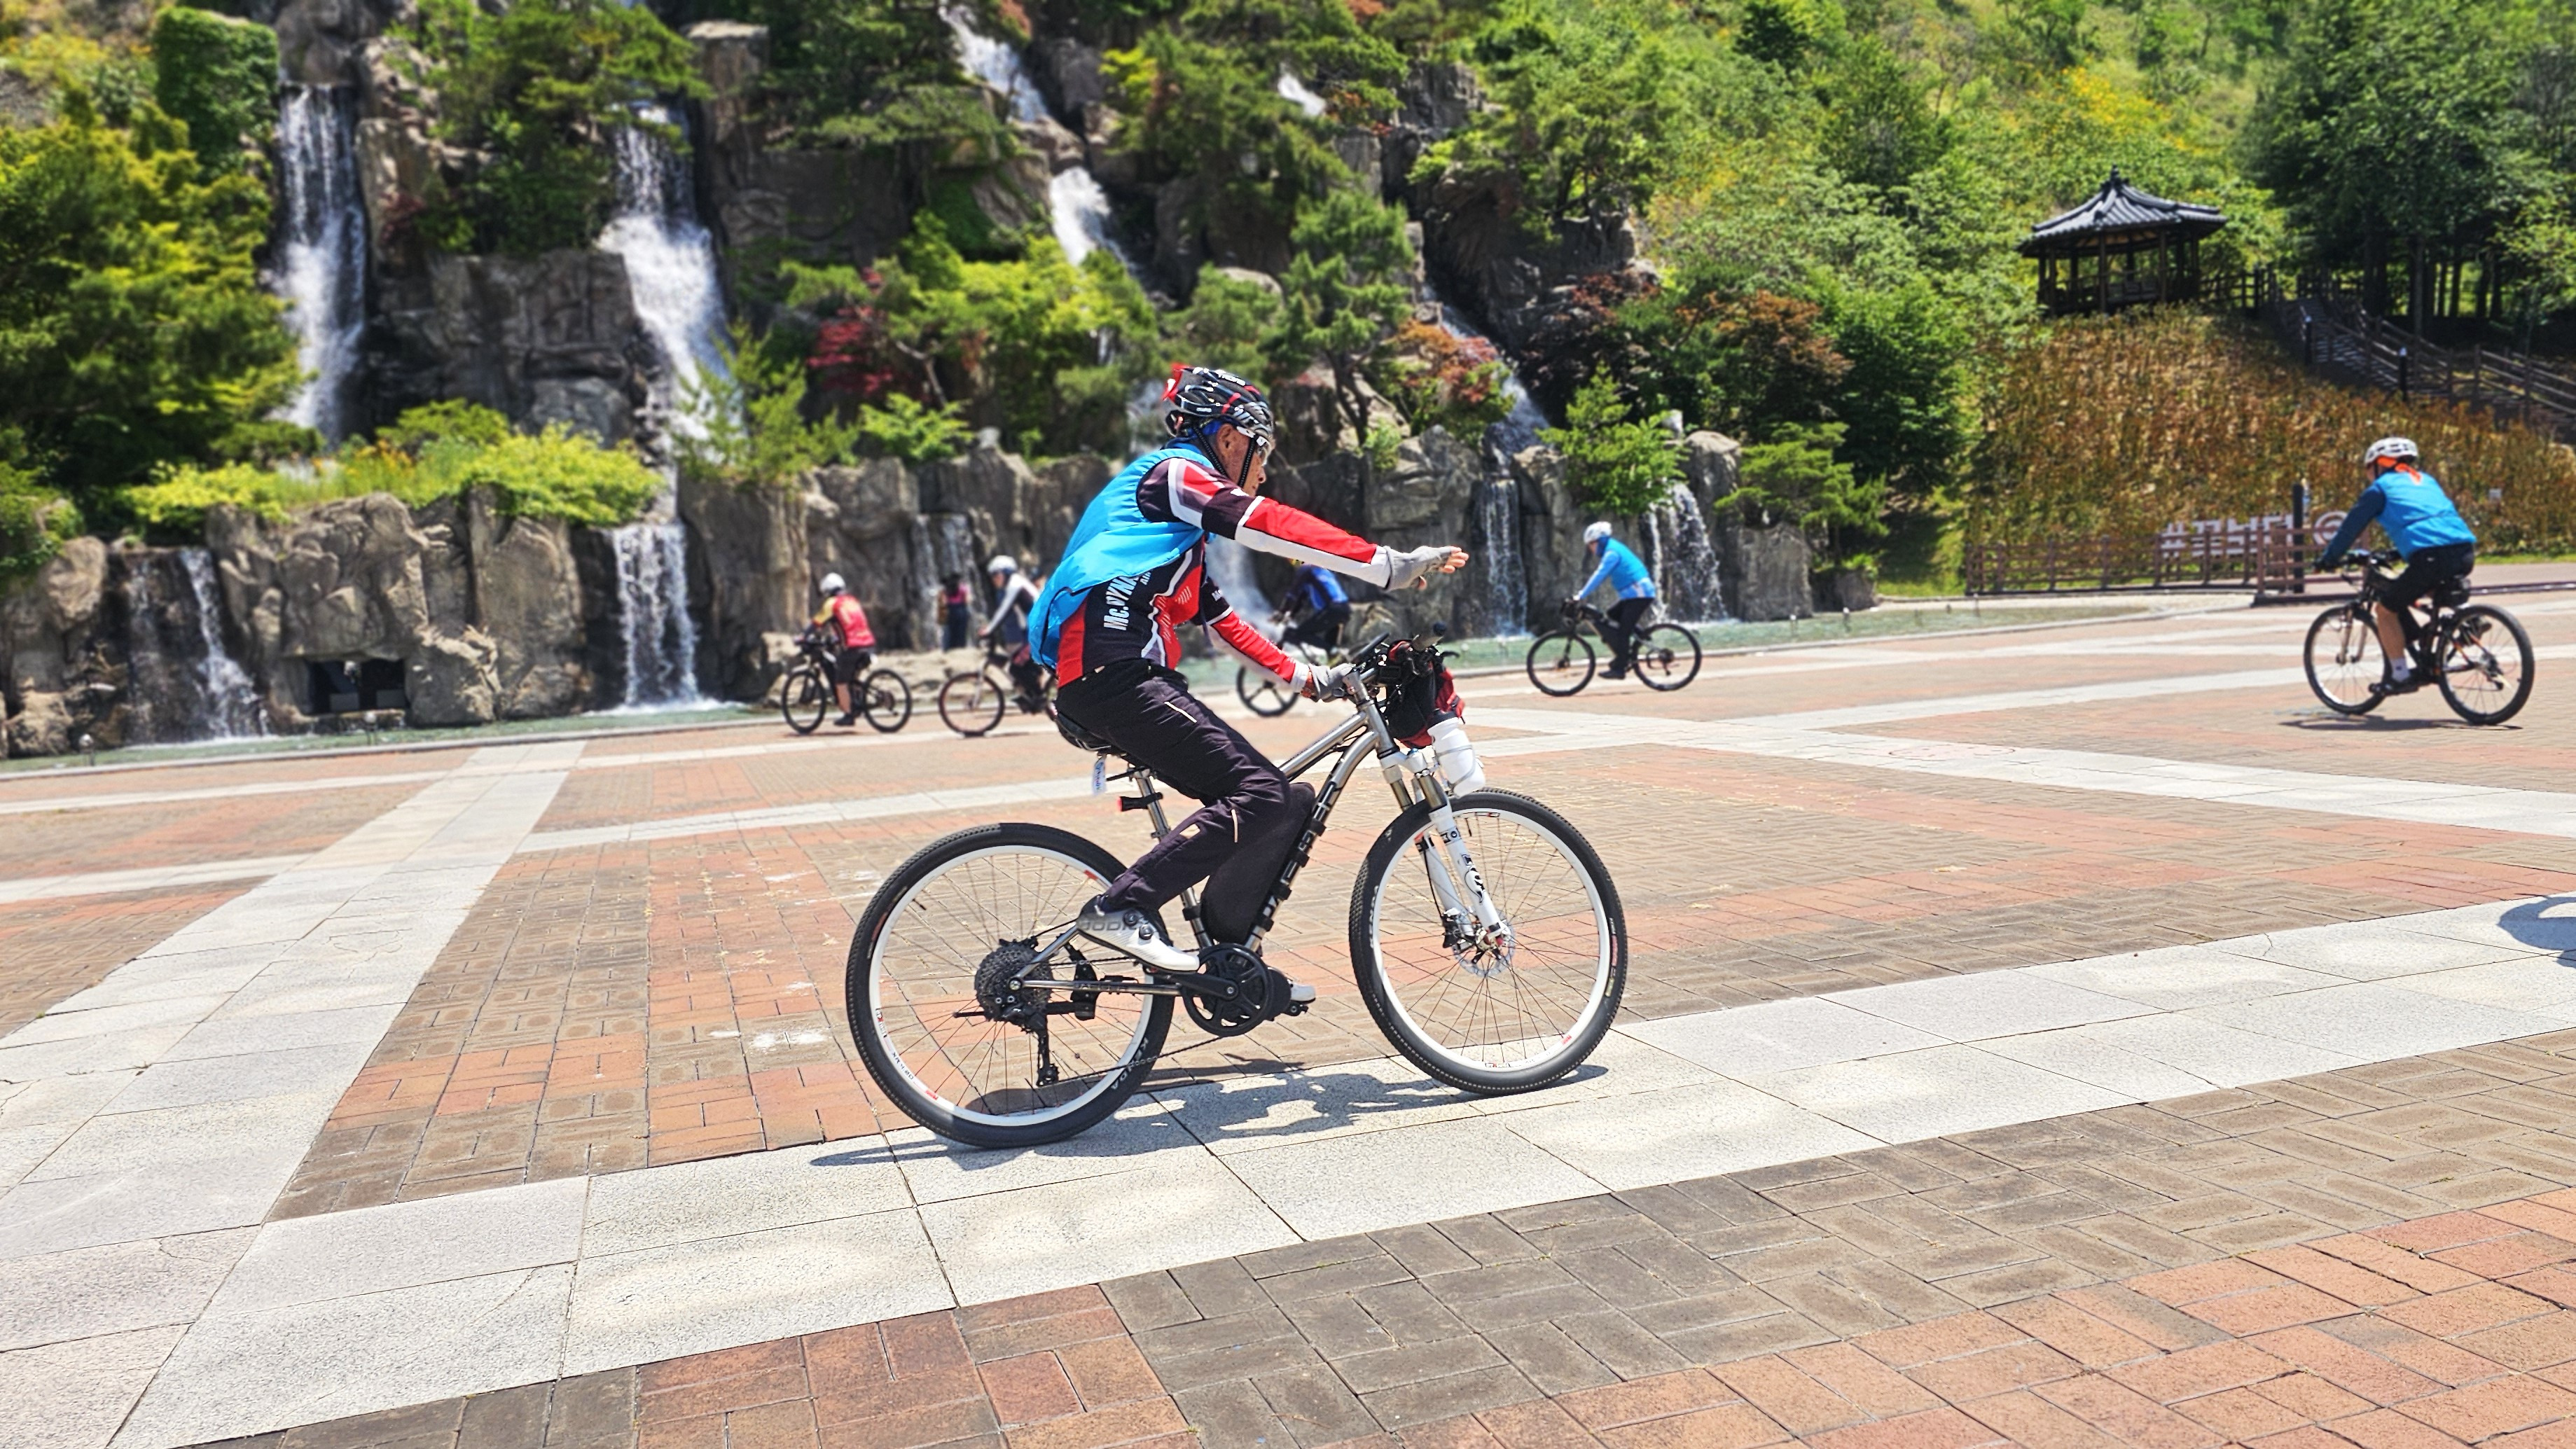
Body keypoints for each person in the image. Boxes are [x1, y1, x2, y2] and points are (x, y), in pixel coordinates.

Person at [1039, 363, 1467, 980]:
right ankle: (1121, 906)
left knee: (1282, 800)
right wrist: (1385, 564)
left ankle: (1232, 969)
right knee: (1260, 793)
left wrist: (1313, 678)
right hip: (1114, 674)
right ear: (1230, 438)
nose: (1263, 473)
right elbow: (1267, 522)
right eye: (1261, 452)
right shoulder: (1175, 474)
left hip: (1114, 678)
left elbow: (1225, 623)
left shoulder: (1171, 537)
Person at [2316, 436, 2478, 693]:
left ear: (2379, 464)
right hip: (2464, 551)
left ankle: (2400, 676)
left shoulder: (2379, 489)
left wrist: (2330, 558)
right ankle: (2467, 619)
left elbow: (2350, 527)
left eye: (2368, 469)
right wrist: (2397, 552)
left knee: (2385, 610)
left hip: (2430, 557)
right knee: (2422, 587)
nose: (2368, 475)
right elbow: (2432, 523)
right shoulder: (2426, 481)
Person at [1571, 521, 1656, 679]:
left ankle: (1620, 668)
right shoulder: (1613, 548)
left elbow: (1599, 575)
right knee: (1612, 614)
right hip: (1635, 594)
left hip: (1640, 594)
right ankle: (1640, 634)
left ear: (1600, 541)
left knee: (1623, 632)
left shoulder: (1612, 553)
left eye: (1592, 544)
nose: (1591, 548)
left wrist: (1581, 595)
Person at [811, 572, 877, 727]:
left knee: (841, 682)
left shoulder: (832, 603)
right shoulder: (852, 601)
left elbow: (816, 623)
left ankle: (848, 715)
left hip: (852, 647)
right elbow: (851, 625)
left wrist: (803, 637)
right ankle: (857, 702)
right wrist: (836, 639)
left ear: (827, 591)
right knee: (853, 677)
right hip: (868, 644)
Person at [981, 555, 1046, 706]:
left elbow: (1004, 610)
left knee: (1015, 668)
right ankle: (1031, 695)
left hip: (1037, 631)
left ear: (1007, 572)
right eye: (992, 576)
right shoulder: (1016, 583)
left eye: (996, 575)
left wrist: (989, 630)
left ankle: (1039, 698)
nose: (994, 579)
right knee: (1023, 665)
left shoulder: (1015, 585)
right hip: (1031, 631)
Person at [1279, 562, 1353, 652]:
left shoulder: (1306, 569)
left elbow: (1292, 595)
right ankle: (1334, 653)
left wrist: (1282, 612)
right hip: (1344, 608)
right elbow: (1301, 599)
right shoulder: (1321, 571)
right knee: (1328, 643)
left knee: (1302, 633)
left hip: (1333, 609)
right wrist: (1291, 615)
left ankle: (1334, 651)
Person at [939, 573, 973, 651]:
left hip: (950, 611)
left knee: (951, 631)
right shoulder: (963, 587)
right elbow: (967, 600)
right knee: (962, 631)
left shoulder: (946, 588)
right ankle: (961, 648)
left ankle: (951, 648)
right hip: (961, 610)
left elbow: (944, 602)